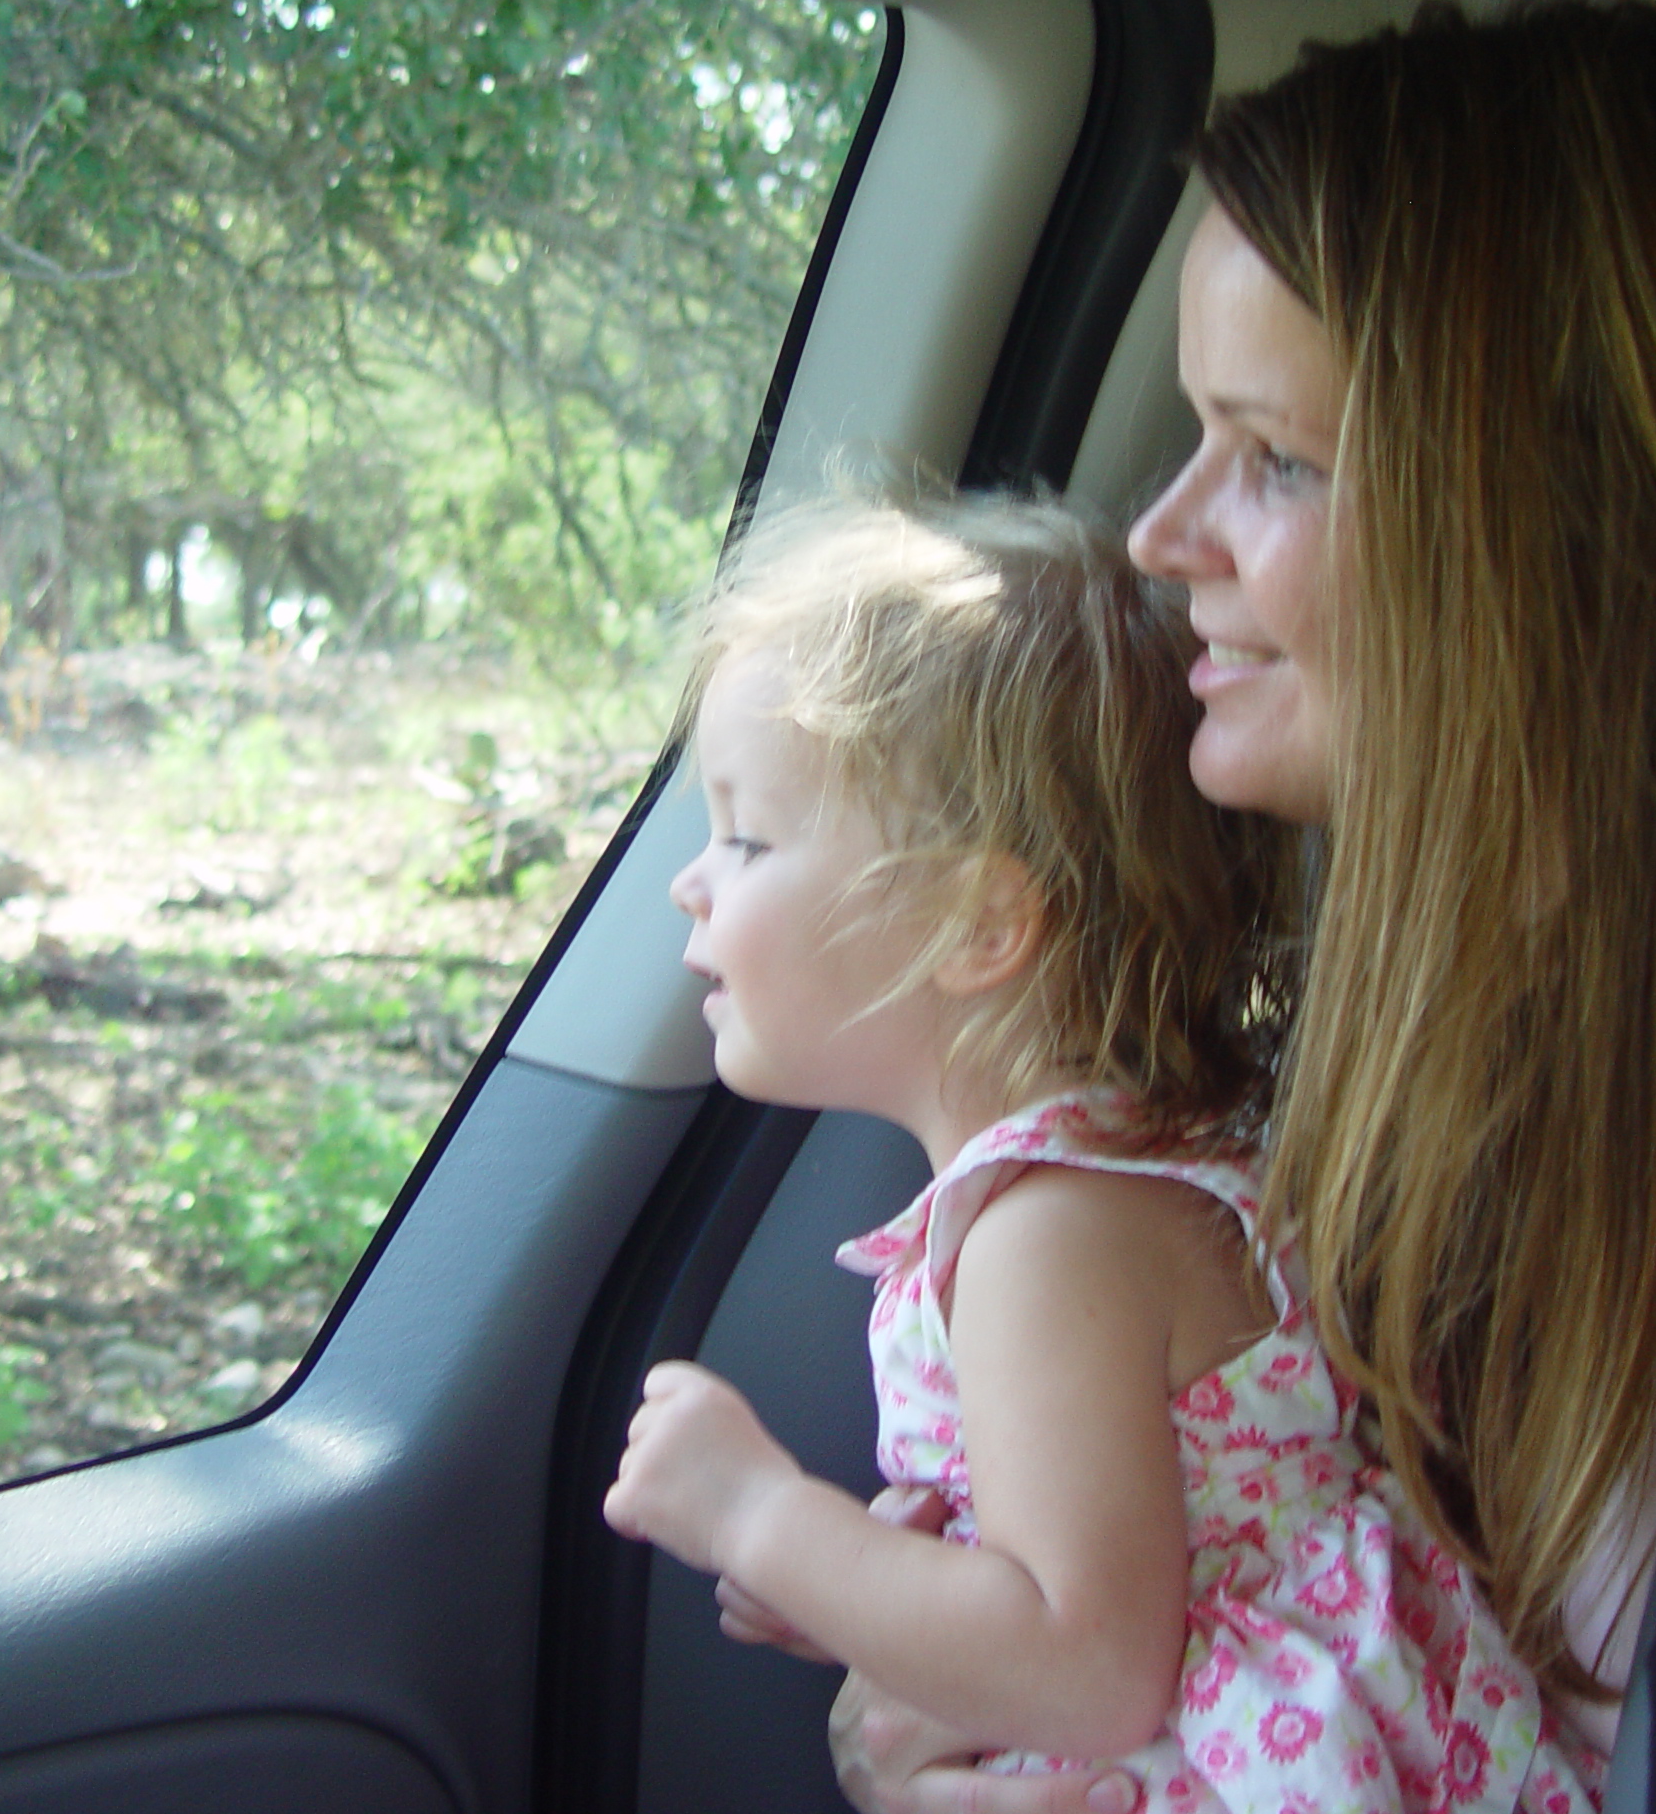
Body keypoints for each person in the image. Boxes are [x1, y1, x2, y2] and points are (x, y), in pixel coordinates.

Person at [830, 0, 1656, 1814]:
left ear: (1576, 524)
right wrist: (976, 1705)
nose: (1161, 536)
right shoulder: (1488, 951)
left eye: (1277, 457)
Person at [605, 497, 1603, 1811]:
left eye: (745, 835)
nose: (693, 881)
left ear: (974, 926)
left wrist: (761, 1518)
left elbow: (1085, 1666)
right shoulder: (1117, 1176)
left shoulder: (1051, 1238)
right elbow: (1099, 1570)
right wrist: (864, 1584)